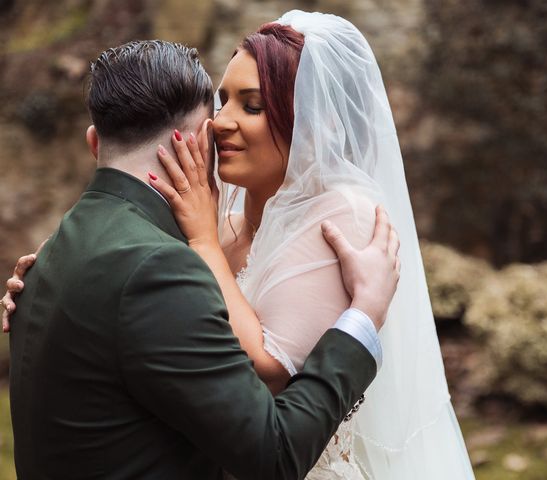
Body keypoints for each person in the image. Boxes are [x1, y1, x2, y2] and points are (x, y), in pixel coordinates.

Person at [1, 39, 401, 479]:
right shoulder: (160, 266)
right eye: (220, 106)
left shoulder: (57, 251)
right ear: (197, 142)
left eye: (250, 106)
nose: (224, 123)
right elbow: (274, 452)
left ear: (94, 143)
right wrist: (363, 315)